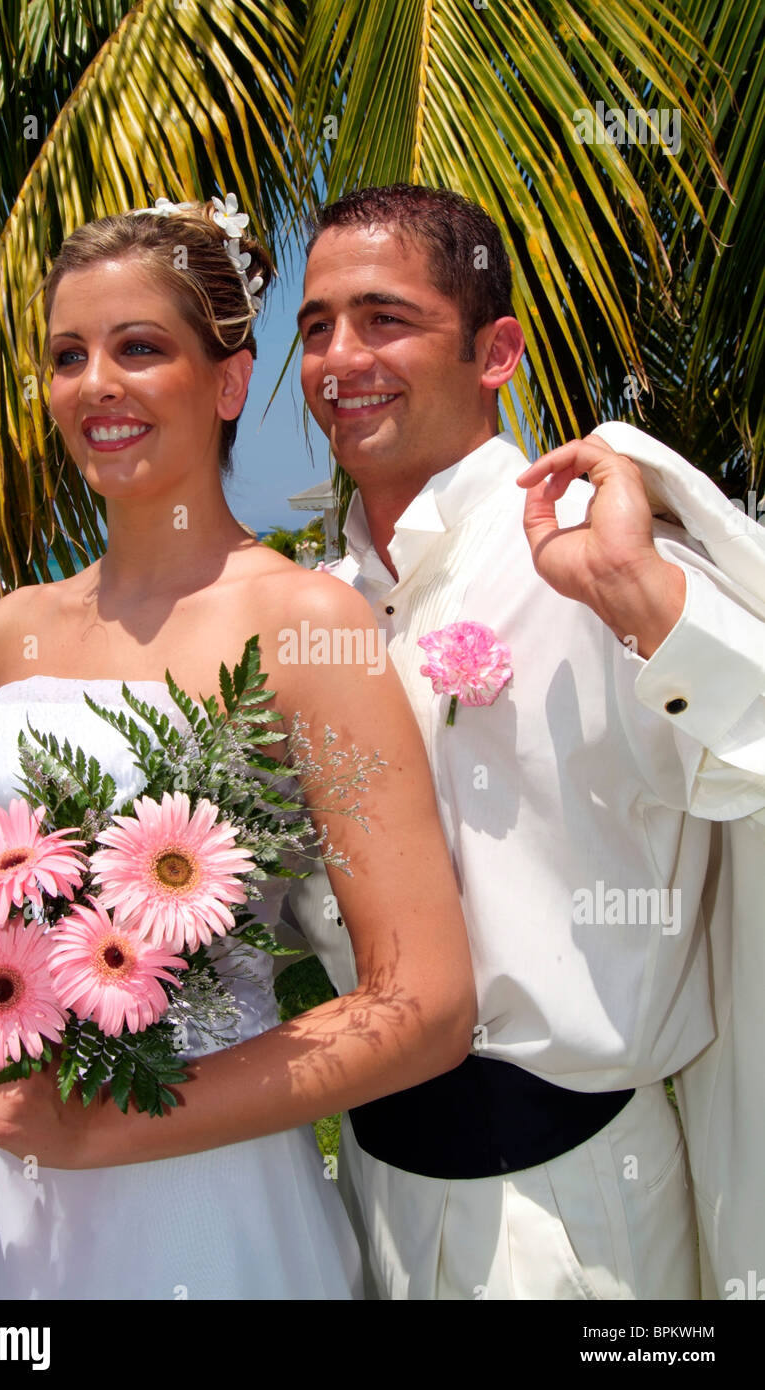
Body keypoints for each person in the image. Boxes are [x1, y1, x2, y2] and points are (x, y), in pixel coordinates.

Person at [0, 195, 476, 1300]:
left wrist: (103, 1125)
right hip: (15, 1199)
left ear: (226, 383)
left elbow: (424, 1006)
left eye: (139, 348)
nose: (96, 386)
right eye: (67, 355)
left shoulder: (300, 620)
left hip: (206, 1198)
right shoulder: (12, 629)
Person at [284, 183, 765, 1300]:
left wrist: (645, 604)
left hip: (576, 1217)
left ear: (494, 351)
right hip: (366, 1200)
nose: (337, 358)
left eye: (382, 318)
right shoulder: (312, 606)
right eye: (314, 328)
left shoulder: (601, 555)